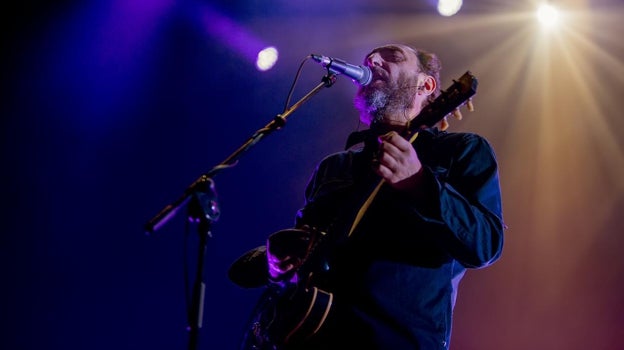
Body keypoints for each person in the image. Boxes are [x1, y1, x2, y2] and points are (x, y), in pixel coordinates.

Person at [230, 43, 505, 350]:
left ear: (425, 85)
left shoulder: (461, 150)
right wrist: (275, 261)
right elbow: (305, 247)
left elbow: (486, 245)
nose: (372, 60)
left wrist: (419, 182)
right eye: (370, 57)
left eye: (393, 56)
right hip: (308, 336)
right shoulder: (335, 165)